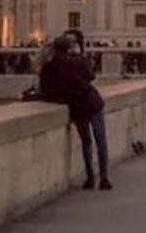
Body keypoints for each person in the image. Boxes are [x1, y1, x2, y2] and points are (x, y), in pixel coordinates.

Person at [47, 33, 111, 189]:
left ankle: (90, 177)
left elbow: (51, 89)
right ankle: (104, 178)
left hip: (76, 107)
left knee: (86, 142)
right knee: (100, 141)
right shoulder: (79, 60)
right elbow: (91, 76)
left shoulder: (53, 66)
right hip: (92, 103)